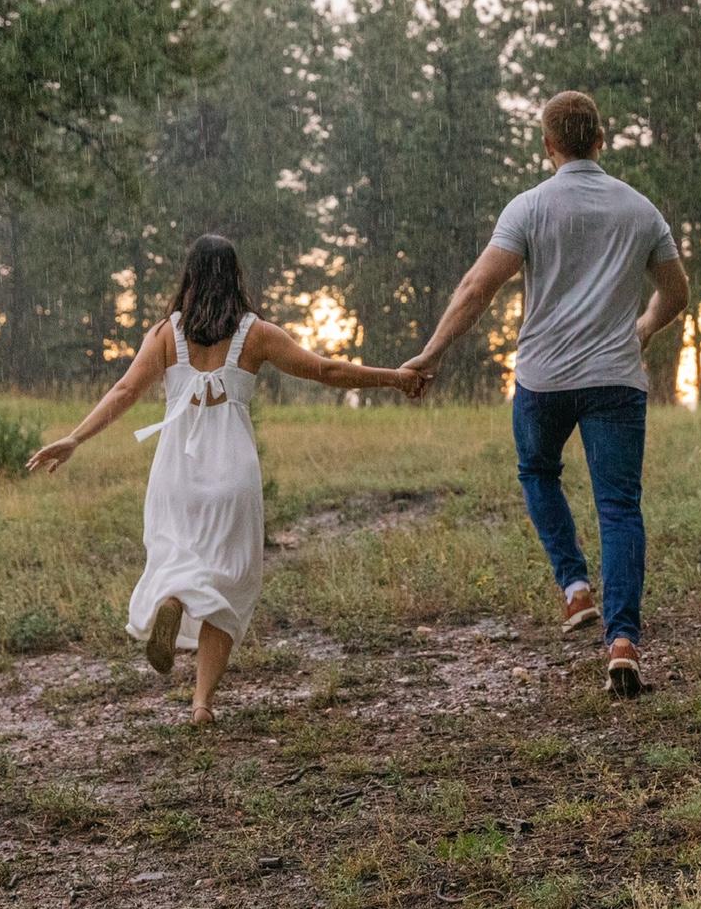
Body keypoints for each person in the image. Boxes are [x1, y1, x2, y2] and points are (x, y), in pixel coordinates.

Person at [27, 234, 423, 725]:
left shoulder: (165, 336)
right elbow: (326, 370)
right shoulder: (256, 334)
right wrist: (394, 376)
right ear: (235, 276)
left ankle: (174, 597)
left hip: (177, 471)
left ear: (188, 277)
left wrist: (75, 438)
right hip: (231, 470)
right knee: (230, 578)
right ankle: (202, 704)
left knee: (178, 554)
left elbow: (126, 389)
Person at [403, 91, 689, 698]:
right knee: (619, 506)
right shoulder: (641, 211)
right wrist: (642, 327)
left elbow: (478, 286)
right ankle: (623, 642)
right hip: (615, 379)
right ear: (601, 140)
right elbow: (676, 293)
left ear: (548, 146)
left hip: (544, 381)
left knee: (537, 469)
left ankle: (575, 587)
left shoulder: (529, 207)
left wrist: (431, 352)